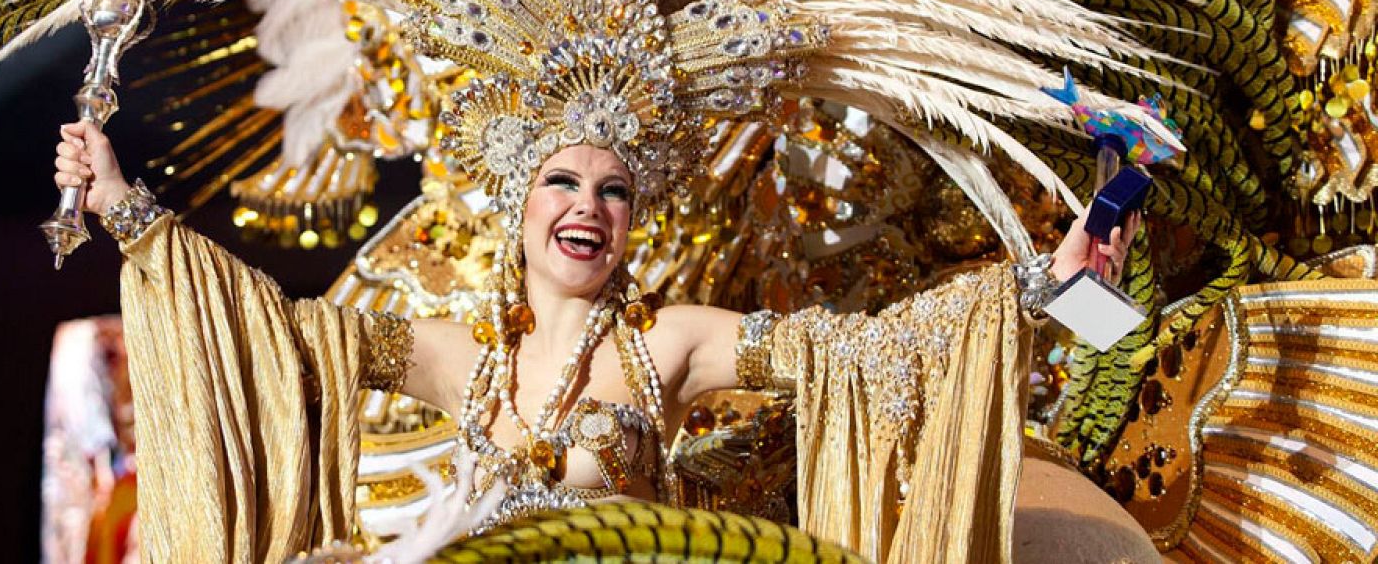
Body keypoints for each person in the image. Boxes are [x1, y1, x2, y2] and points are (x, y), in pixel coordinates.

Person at [55, 114, 1133, 561]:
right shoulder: (458, 356)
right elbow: (265, 336)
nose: (588, 205)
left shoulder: (671, 344)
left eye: (614, 190)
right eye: (562, 182)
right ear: (519, 207)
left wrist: (1050, 288)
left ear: (630, 223)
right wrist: (128, 211)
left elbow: (864, 356)